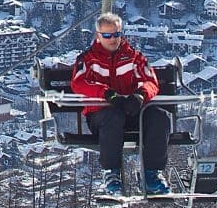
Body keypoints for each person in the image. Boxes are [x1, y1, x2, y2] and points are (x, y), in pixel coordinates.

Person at [69, 12, 172, 196]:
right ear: (98, 36)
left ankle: (151, 174)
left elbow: (150, 81)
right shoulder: (88, 59)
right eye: (107, 35)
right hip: (102, 114)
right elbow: (79, 83)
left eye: (116, 34)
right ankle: (111, 173)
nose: (113, 39)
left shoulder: (133, 57)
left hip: (131, 110)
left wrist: (140, 96)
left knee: (159, 116)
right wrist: (106, 94)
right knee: (113, 117)